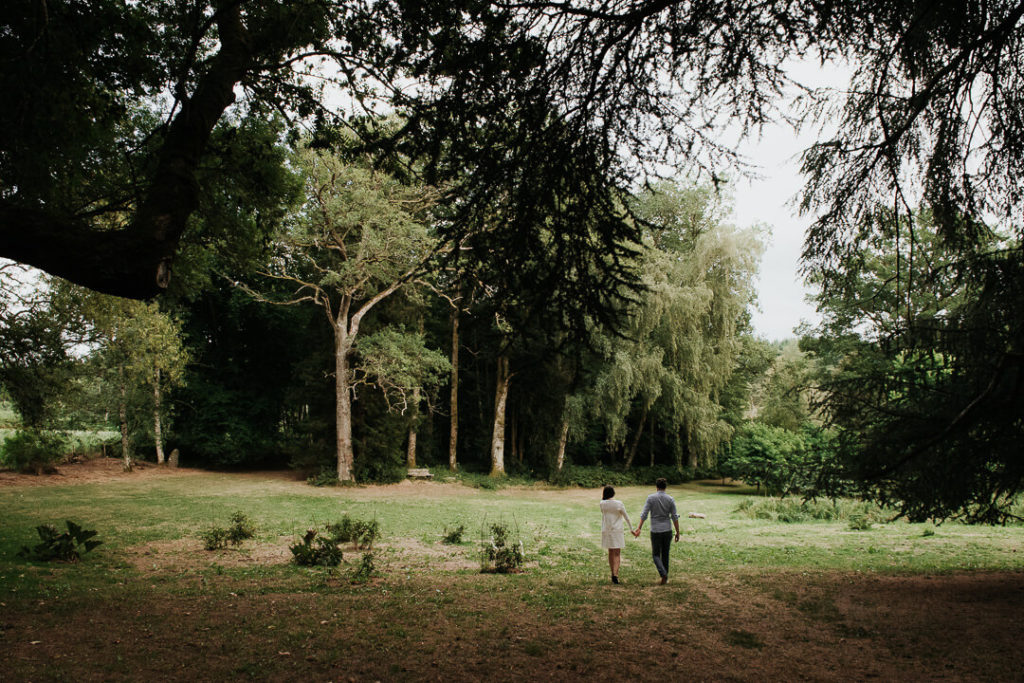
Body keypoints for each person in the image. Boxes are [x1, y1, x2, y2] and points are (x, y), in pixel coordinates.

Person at [633, 477, 680, 584]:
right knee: (665, 554)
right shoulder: (670, 499)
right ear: (665, 487)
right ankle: (665, 576)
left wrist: (639, 528)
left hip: (655, 530)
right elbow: (674, 517)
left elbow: (644, 514)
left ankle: (663, 574)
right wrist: (677, 531)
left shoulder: (651, 498)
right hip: (667, 530)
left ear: (656, 487)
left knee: (655, 555)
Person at [599, 485, 635, 584]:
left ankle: (612, 573)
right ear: (613, 493)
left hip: (606, 530)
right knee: (617, 553)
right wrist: (631, 529)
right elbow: (626, 517)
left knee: (610, 551)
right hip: (617, 530)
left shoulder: (602, 503)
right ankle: (615, 574)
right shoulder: (619, 504)